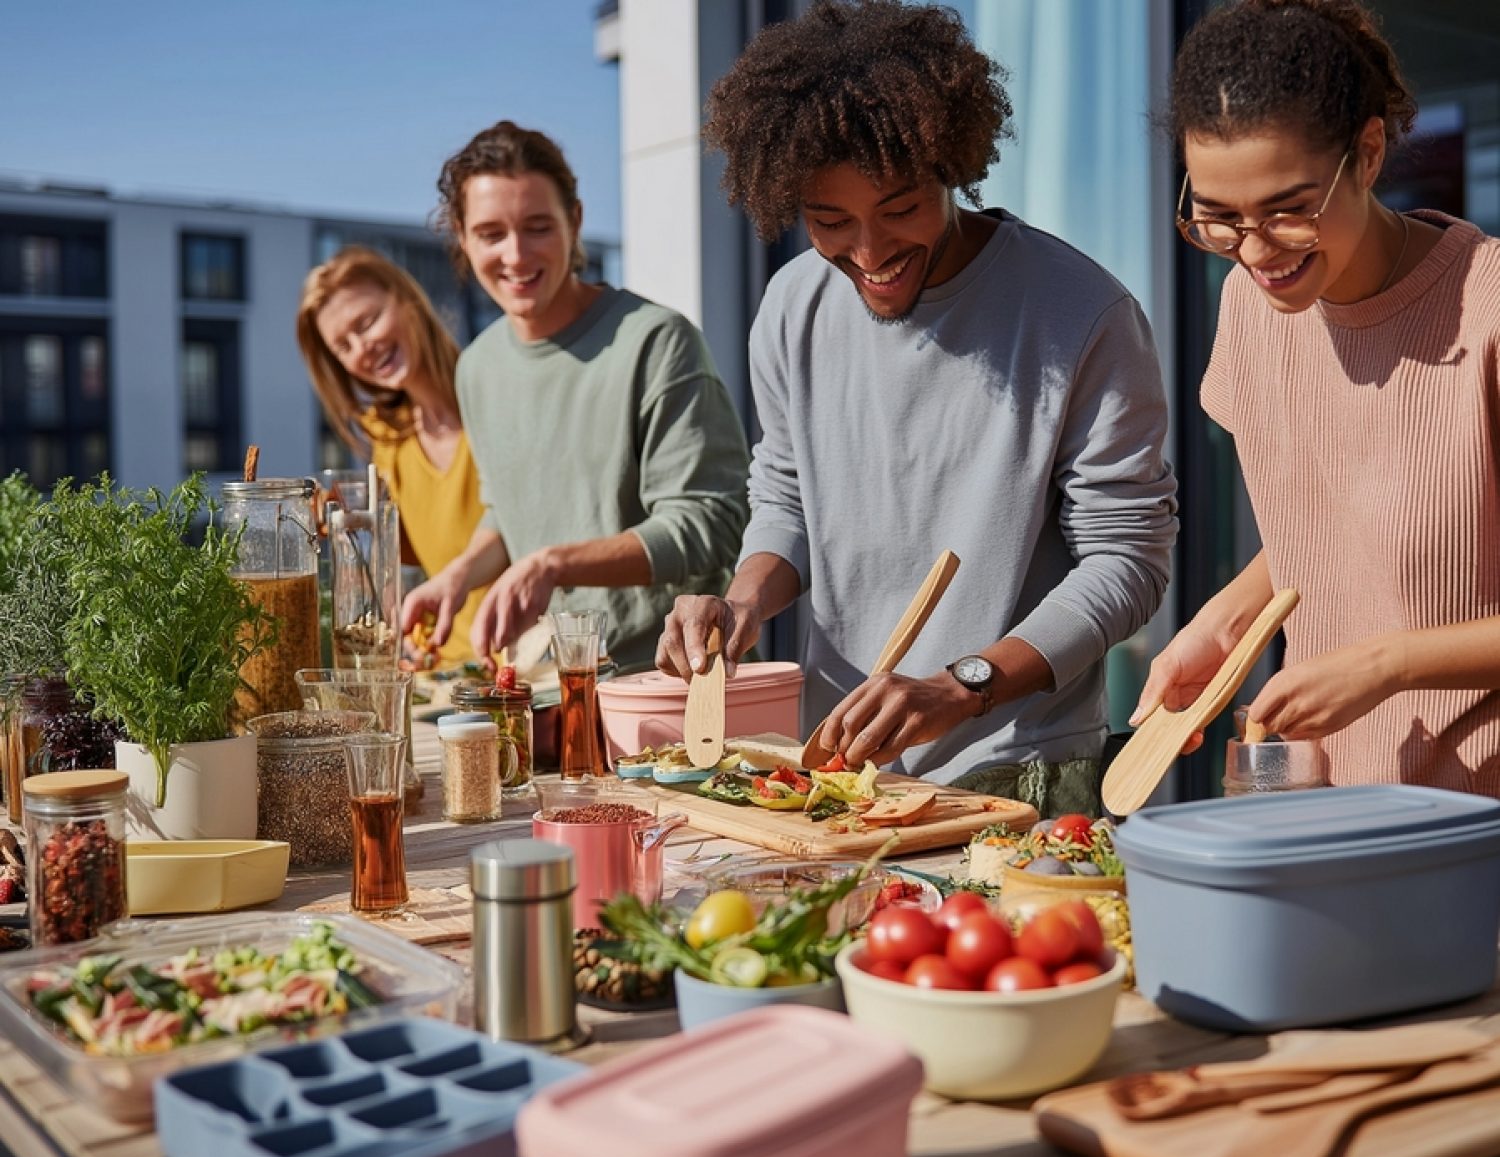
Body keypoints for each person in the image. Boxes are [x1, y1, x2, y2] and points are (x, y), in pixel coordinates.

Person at [655, 0, 1178, 814]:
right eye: (831, 222)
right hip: (836, 771)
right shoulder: (792, 305)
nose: (869, 253)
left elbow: (1127, 563)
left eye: (900, 209)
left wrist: (961, 685)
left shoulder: (1082, 313)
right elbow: (787, 496)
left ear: (952, 166)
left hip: (1019, 774)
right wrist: (742, 601)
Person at [1133, 0, 1500, 794]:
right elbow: (1333, 517)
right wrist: (1226, 622)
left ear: (1368, 154)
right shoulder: (1249, 308)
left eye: (1288, 211)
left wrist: (1387, 662)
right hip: (1331, 808)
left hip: (1475, 821)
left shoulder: (1489, 311)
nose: (1256, 252)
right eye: (1218, 219)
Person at [402, 121, 750, 673]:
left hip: (668, 686)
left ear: (576, 223)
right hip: (549, 690)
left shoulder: (657, 342)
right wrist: (459, 575)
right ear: (462, 241)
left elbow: (710, 525)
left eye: (537, 227)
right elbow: (511, 510)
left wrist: (555, 564)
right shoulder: (477, 367)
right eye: (491, 233)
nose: (516, 254)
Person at [297, 246, 489, 666]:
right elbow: (428, 547)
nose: (362, 348)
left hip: (528, 665)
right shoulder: (388, 438)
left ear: (408, 301)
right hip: (445, 672)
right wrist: (347, 519)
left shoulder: (493, 393)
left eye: (366, 323)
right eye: (343, 346)